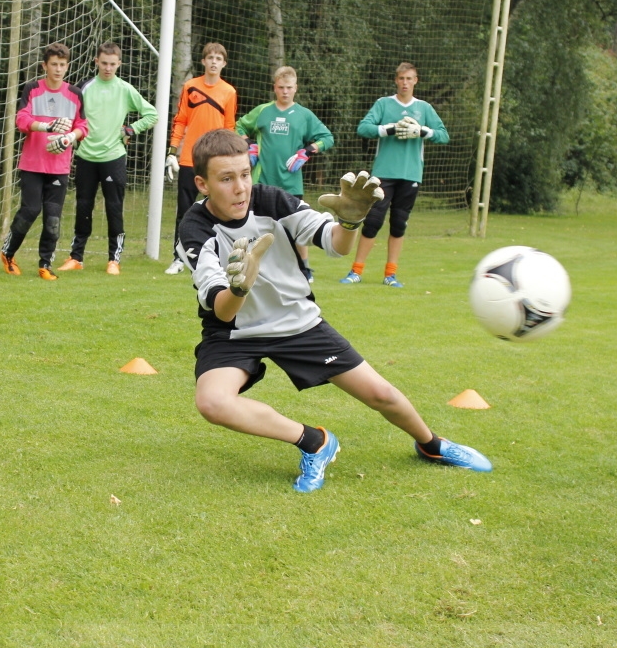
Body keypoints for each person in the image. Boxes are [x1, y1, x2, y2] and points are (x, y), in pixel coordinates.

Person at [179, 129, 492, 493]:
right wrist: (240, 287)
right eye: (226, 179)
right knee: (212, 402)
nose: (240, 187)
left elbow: (336, 245)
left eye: (245, 174)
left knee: (382, 395)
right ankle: (314, 442)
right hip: (234, 332)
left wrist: (351, 221)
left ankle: (431, 444)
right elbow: (222, 309)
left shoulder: (274, 201)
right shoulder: (195, 229)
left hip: (297, 323)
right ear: (202, 183)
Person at [342, 61, 448, 288]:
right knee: (372, 221)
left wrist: (422, 131)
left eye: (409, 78)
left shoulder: (424, 108)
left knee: (399, 224)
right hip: (384, 174)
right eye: (401, 78)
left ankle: (390, 275)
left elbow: (443, 135)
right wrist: (387, 129)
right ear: (396, 80)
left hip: (411, 174)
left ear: (415, 81)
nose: (405, 83)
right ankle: (356, 271)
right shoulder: (383, 104)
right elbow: (363, 128)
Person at [57, 42, 158, 276]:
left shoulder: (125, 89)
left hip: (114, 157)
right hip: (86, 156)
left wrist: (130, 130)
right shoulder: (84, 88)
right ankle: (76, 257)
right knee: (83, 205)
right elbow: (72, 116)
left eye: (113, 64)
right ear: (96, 62)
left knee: (114, 208)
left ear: (119, 64)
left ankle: (114, 259)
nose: (108, 68)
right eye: (104, 63)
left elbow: (152, 114)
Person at [235, 65, 333, 282]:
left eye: (289, 87)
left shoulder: (304, 115)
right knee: (257, 226)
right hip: (262, 181)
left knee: (297, 228)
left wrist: (307, 152)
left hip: (291, 183)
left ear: (295, 88)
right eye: (281, 87)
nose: (285, 91)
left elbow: (327, 137)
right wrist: (249, 144)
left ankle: (304, 267)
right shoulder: (263, 111)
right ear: (275, 88)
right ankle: (254, 268)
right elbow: (239, 126)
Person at [2, 42, 89, 280]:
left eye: (62, 65)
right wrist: (46, 126)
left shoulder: (75, 94)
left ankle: (45, 265)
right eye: (54, 65)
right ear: (45, 66)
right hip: (32, 164)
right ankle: (8, 254)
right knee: (30, 210)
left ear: (67, 66)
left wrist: (69, 137)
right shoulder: (32, 89)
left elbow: (82, 126)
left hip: (58, 167)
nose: (58, 69)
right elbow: (22, 120)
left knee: (53, 218)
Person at [164, 42, 237, 275]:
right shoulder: (190, 86)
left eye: (218, 58)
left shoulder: (229, 92)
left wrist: (229, 158)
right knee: (184, 210)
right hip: (189, 159)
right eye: (210, 57)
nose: (214, 62)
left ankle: (219, 255)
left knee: (220, 208)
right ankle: (178, 256)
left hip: (215, 161)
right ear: (203, 61)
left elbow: (229, 128)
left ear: (224, 63)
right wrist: (171, 151)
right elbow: (181, 120)